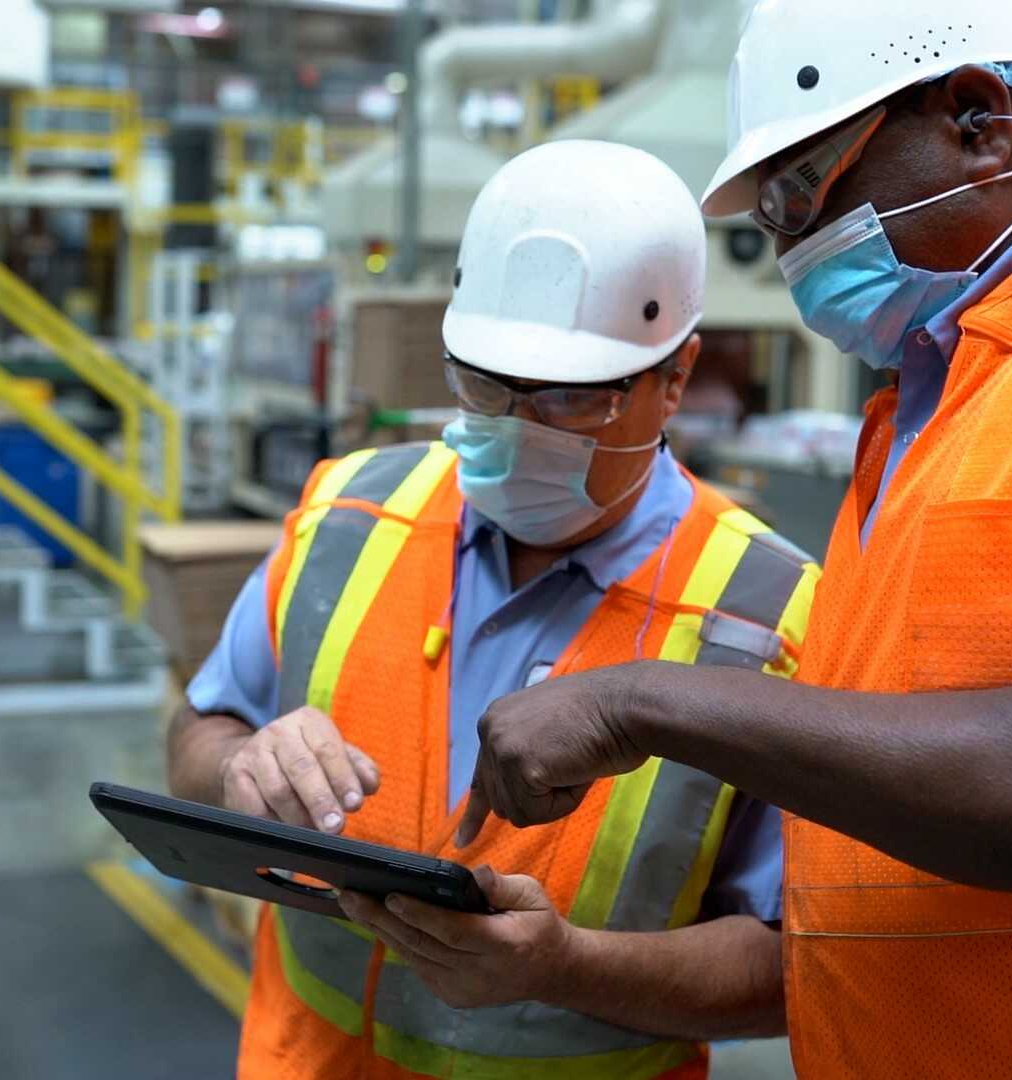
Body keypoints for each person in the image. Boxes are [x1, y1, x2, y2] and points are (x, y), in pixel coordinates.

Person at [453, 2, 1012, 1077]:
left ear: (976, 121)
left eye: (797, 192)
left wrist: (638, 701)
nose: (786, 246)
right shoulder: (932, 394)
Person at [168, 140, 818, 1079]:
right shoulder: (348, 513)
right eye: (482, 386)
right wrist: (238, 764)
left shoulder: (766, 617)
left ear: (675, 378)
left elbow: (790, 966)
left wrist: (566, 968)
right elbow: (196, 730)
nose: (515, 429)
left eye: (566, 398)